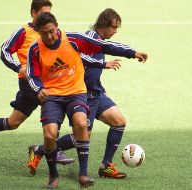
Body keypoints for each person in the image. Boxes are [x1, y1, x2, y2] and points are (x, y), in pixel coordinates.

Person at [26, 12, 147, 189]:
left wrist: (128, 54)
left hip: (96, 93)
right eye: (114, 26)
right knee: (80, 136)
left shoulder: (88, 39)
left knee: (119, 122)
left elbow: (100, 51)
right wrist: (105, 63)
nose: (115, 31)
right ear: (104, 24)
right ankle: (39, 150)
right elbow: (84, 57)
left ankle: (105, 165)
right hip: (82, 94)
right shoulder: (86, 38)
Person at [0, 0, 74, 165]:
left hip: (45, 82)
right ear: (33, 13)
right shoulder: (23, 32)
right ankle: (55, 149)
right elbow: (5, 51)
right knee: (55, 104)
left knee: (13, 122)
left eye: (49, 14)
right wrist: (17, 67)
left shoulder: (51, 32)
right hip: (30, 83)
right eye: (42, 13)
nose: (46, 18)